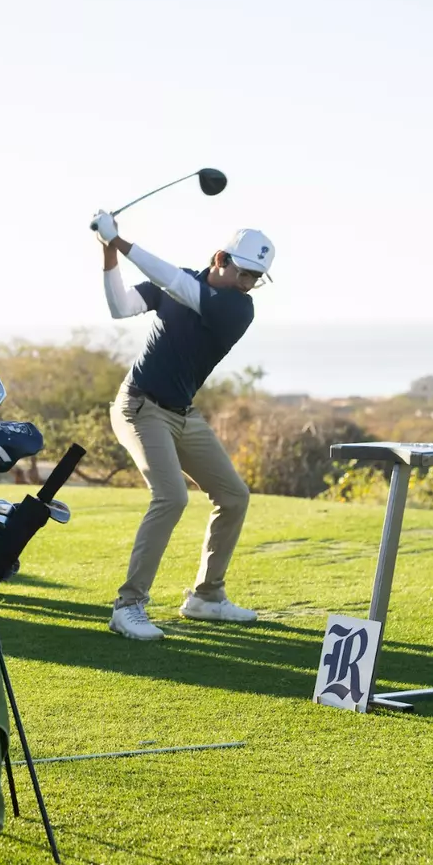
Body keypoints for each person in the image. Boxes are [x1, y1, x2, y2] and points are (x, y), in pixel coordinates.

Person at [88, 208, 275, 640]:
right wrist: (109, 253)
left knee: (233, 496)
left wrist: (121, 241)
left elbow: (177, 284)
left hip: (182, 414)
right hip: (138, 407)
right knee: (171, 497)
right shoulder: (182, 283)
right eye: (245, 272)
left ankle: (207, 597)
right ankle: (128, 605)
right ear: (220, 259)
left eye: (256, 278)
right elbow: (120, 306)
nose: (249, 284)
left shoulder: (236, 308)